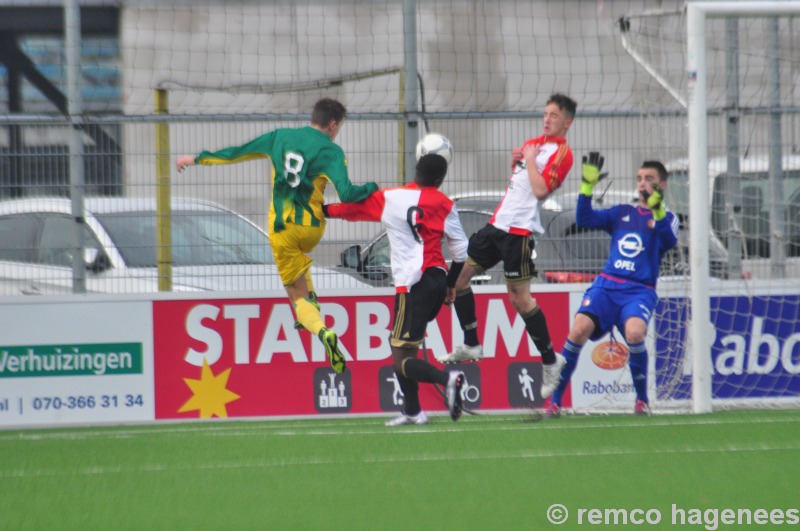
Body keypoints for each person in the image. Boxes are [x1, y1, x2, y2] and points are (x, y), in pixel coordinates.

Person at [176, 98, 378, 375]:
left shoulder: (279, 138)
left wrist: (197, 158)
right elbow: (349, 194)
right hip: (312, 228)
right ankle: (312, 306)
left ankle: (320, 330)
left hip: (283, 229)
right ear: (333, 125)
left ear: (314, 117)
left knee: (296, 296)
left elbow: (238, 152)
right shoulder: (331, 151)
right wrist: (373, 187)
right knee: (300, 263)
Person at [438, 93, 577, 400]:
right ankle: (472, 342)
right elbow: (521, 186)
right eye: (545, 113)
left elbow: (540, 190)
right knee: (459, 277)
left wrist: (527, 161)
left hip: (519, 233)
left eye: (554, 115)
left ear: (567, 122)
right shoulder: (534, 144)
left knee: (519, 299)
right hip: (496, 225)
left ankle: (552, 361)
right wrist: (517, 163)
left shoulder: (563, 154)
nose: (547, 119)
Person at [325, 154, 469, 425]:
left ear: (416, 171)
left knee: (400, 357)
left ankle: (447, 379)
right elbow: (461, 252)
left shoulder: (391, 198)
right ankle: (413, 411)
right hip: (437, 279)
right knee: (405, 349)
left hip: (414, 285)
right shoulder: (446, 204)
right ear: (440, 179)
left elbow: (351, 211)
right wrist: (451, 286)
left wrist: (322, 211)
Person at [546, 153, 679, 417]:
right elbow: (584, 220)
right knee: (578, 330)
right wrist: (586, 186)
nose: (642, 184)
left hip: (639, 291)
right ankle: (555, 402)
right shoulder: (622, 213)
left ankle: (642, 401)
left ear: (662, 185)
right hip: (606, 287)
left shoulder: (668, 217)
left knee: (635, 333)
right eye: (640, 178)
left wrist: (659, 209)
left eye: (649, 179)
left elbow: (669, 241)